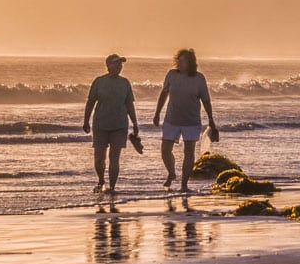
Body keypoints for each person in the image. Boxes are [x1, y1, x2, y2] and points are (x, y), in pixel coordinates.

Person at [153, 48, 216, 193]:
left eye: (184, 61)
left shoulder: (199, 78)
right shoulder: (171, 74)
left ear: (190, 63)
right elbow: (164, 94)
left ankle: (184, 185)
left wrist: (211, 119)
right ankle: (171, 173)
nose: (180, 64)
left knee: (189, 152)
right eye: (179, 60)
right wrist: (157, 113)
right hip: (171, 119)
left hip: (191, 121)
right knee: (165, 150)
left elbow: (206, 100)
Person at [83, 54, 140, 193]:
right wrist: (85, 121)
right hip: (100, 124)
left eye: (120, 64)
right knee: (99, 158)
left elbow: (129, 104)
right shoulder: (99, 82)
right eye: (116, 64)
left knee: (114, 158)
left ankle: (112, 187)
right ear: (108, 66)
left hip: (119, 125)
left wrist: (135, 123)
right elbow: (90, 102)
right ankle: (101, 181)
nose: (119, 66)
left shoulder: (125, 82)